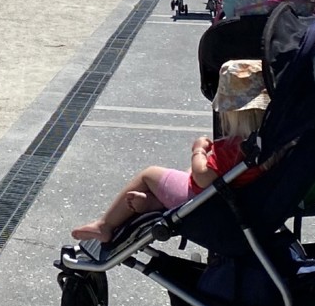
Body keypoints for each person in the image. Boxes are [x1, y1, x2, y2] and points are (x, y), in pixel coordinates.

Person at [73, 60, 272, 243]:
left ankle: (104, 225)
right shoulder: (268, 143)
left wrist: (198, 151)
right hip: (233, 197)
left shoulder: (233, 149)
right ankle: (154, 203)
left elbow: (202, 177)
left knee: (149, 174)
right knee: (183, 174)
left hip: (202, 201)